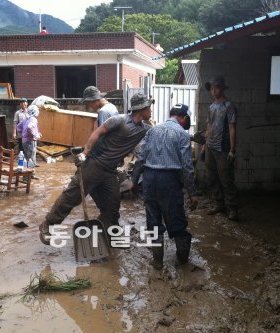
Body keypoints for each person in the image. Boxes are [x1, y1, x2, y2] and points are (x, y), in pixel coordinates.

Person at [39, 93, 154, 245]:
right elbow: (97, 133)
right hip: (94, 164)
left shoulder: (145, 129)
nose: (151, 111)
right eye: (149, 108)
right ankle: (47, 225)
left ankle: (108, 233)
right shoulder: (119, 120)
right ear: (142, 109)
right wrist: (85, 154)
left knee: (113, 204)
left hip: (110, 171)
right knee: (72, 196)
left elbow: (159, 133)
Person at [133, 104, 197, 270]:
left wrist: (134, 180)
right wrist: (192, 194)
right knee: (176, 220)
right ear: (183, 118)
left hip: (149, 179)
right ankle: (183, 261)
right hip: (168, 181)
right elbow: (187, 167)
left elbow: (140, 155)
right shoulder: (182, 135)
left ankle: (158, 262)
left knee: (153, 221)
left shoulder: (152, 131)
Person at [201, 76, 238, 221]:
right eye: (211, 88)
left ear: (222, 88)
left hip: (223, 148)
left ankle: (233, 208)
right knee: (212, 177)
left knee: (226, 179)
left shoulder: (229, 106)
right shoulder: (211, 107)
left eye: (215, 87)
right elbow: (209, 127)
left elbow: (232, 127)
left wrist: (232, 149)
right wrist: (204, 145)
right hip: (210, 146)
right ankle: (219, 203)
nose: (213, 90)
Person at [19, 105, 42, 171]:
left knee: (27, 157)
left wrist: (24, 133)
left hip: (24, 140)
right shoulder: (33, 119)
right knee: (30, 158)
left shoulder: (26, 118)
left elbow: (19, 128)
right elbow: (29, 127)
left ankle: (26, 173)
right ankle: (31, 174)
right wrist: (34, 135)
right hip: (30, 141)